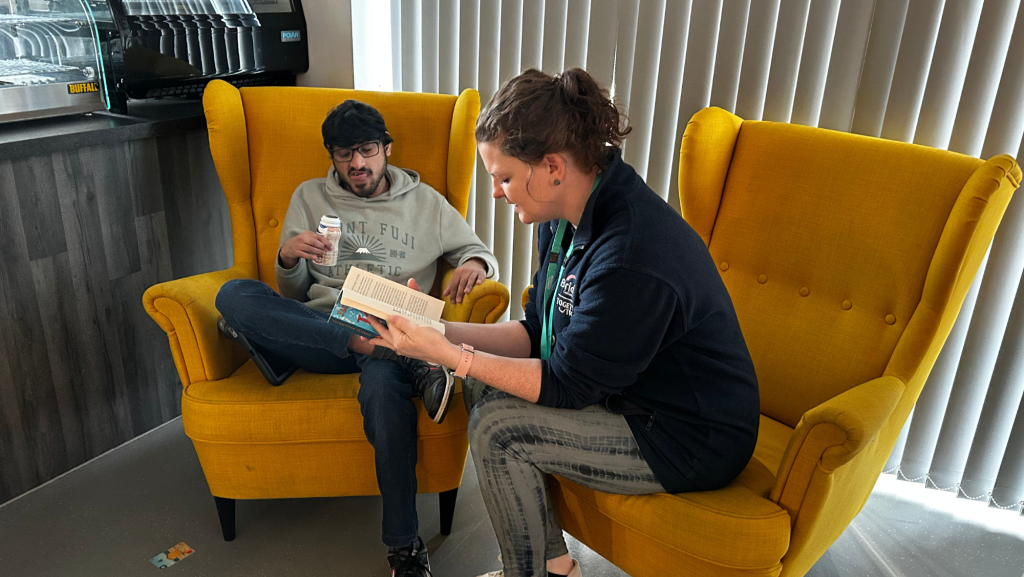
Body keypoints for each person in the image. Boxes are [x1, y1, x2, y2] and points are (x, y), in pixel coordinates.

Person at [365, 68, 760, 577]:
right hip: (629, 393)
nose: (496, 193)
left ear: (552, 166)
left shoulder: (630, 254)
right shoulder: (561, 217)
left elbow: (566, 385)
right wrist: (435, 328)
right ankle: (555, 567)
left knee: (498, 427)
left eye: (503, 177)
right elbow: (536, 333)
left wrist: (450, 357)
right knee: (481, 389)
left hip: (688, 435)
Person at [214, 99, 499, 577]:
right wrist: (288, 259)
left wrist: (472, 265)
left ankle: (404, 547)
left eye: (367, 150)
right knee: (234, 295)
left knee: (384, 393)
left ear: (387, 149)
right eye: (344, 154)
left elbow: (477, 250)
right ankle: (379, 351)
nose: (357, 164)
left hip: (393, 331)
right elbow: (296, 291)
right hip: (327, 329)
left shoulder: (426, 202)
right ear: (332, 156)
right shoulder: (308, 196)